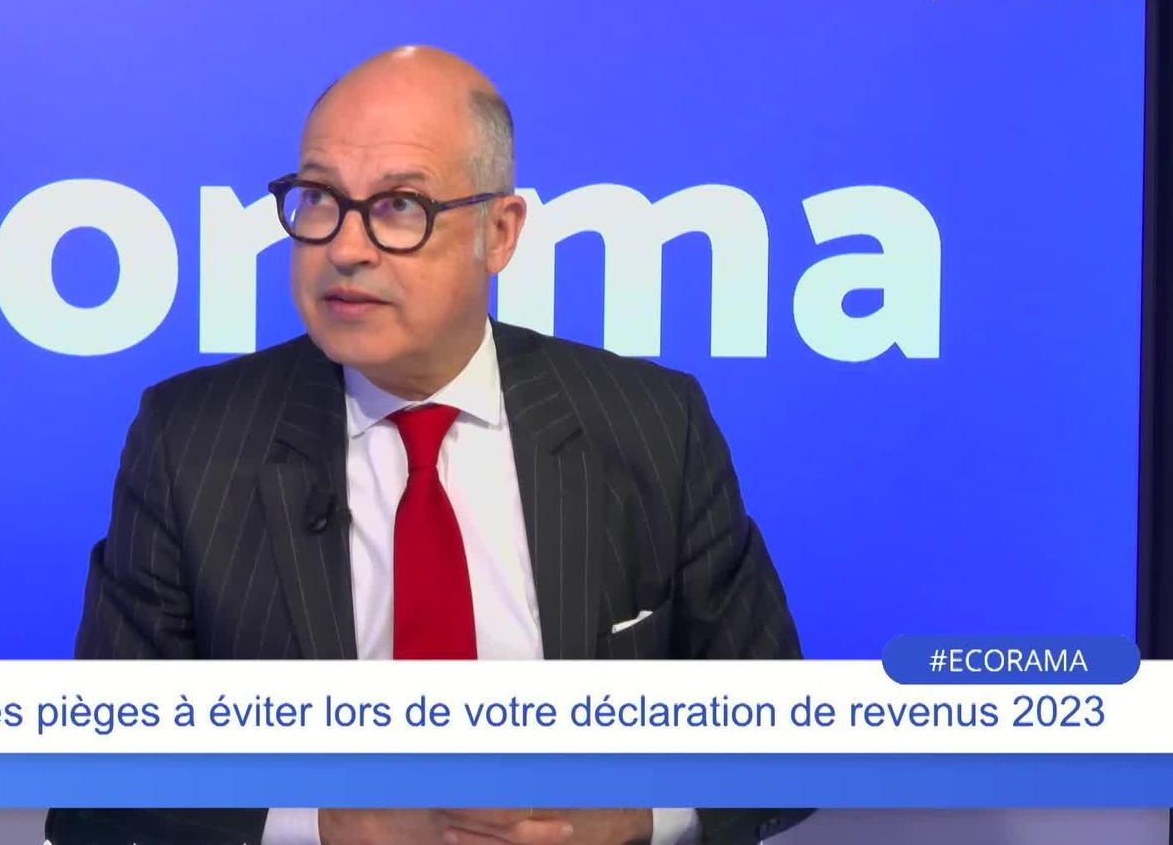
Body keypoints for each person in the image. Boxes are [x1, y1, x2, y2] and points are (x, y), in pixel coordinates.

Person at [46, 46, 805, 845]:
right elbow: (101, 792)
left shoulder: (652, 424)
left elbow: (785, 743)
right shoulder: (190, 440)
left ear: (499, 233)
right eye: (319, 198)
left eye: (400, 205)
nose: (345, 247)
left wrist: (630, 818)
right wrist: (333, 826)